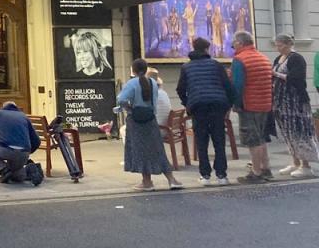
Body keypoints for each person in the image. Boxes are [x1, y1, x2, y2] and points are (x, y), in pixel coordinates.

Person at [177, 37, 235, 185]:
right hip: (217, 105)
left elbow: (180, 89)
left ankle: (205, 175)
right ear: (206, 49)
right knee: (219, 140)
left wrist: (188, 103)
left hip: (198, 106)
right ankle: (222, 175)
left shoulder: (186, 67)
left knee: (201, 141)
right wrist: (228, 104)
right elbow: (228, 86)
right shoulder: (216, 65)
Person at [118, 59, 183, 192]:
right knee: (157, 149)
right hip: (150, 119)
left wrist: (130, 108)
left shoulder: (132, 83)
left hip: (136, 120)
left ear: (133, 70)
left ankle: (147, 182)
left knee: (141, 151)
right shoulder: (153, 83)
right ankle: (172, 180)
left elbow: (121, 99)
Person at [229, 31, 275, 183]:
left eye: (234, 43)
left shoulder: (240, 59)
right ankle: (266, 168)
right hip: (265, 103)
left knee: (252, 140)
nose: (233, 45)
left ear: (240, 43)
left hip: (249, 104)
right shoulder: (263, 57)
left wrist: (235, 104)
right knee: (261, 137)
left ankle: (256, 172)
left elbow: (238, 85)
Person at [272, 34, 319, 178]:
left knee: (299, 132)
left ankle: (306, 165)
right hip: (281, 101)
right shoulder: (278, 59)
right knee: (288, 133)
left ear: (287, 45)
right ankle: (295, 161)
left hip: (295, 101)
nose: (277, 47)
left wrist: (277, 74)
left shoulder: (296, 58)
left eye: (279, 45)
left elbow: (296, 78)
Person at [0, 101, 40, 183]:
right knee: (16, 176)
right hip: (24, 153)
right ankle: (29, 172)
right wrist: (27, 152)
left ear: (3, 107)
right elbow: (36, 141)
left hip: (6, 149)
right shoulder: (24, 116)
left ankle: (3, 169)